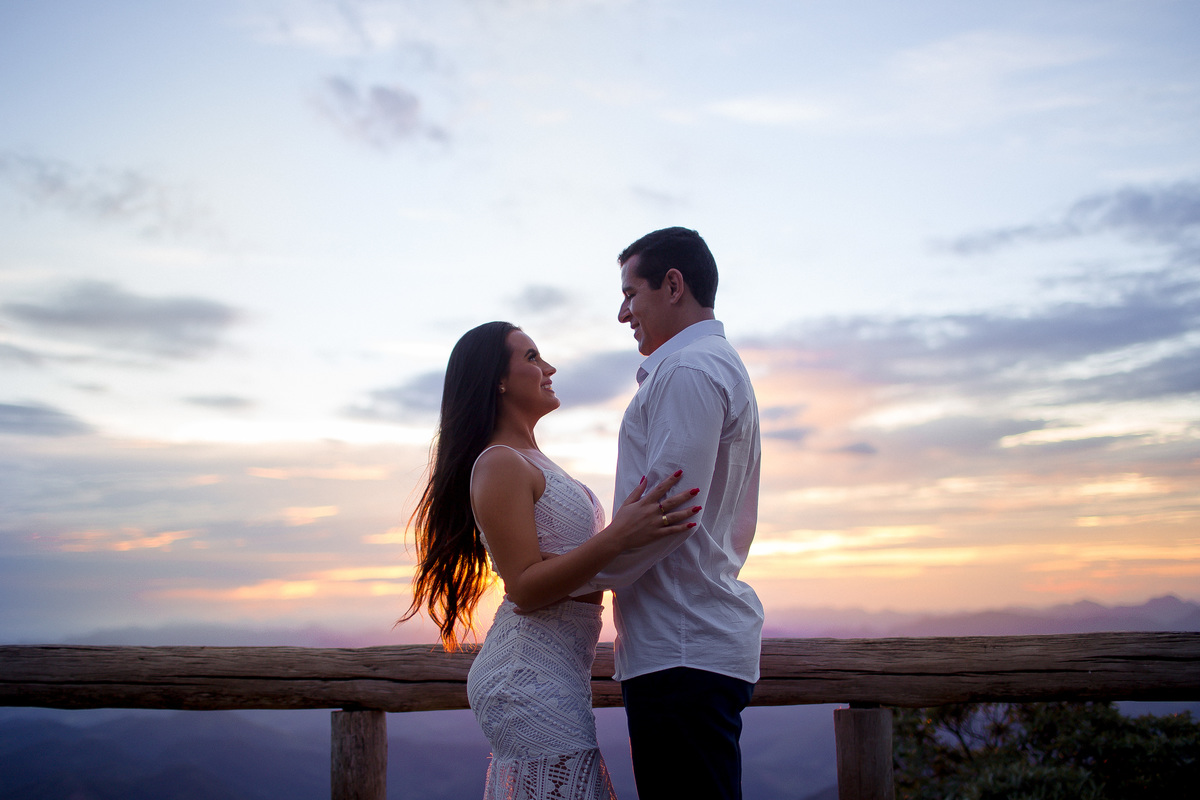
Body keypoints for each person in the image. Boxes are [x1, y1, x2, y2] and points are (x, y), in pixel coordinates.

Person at [400, 320, 703, 800]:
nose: (549, 367)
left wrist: (606, 541)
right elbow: (523, 586)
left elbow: (553, 568)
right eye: (532, 357)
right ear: (498, 380)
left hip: (557, 670)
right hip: (526, 673)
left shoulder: (528, 459)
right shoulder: (498, 462)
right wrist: (618, 535)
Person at [573, 227, 764, 799]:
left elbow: (665, 515)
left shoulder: (688, 372)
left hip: (681, 649)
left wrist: (569, 581)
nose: (622, 312)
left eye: (631, 293)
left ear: (673, 285)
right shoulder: (706, 365)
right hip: (685, 643)